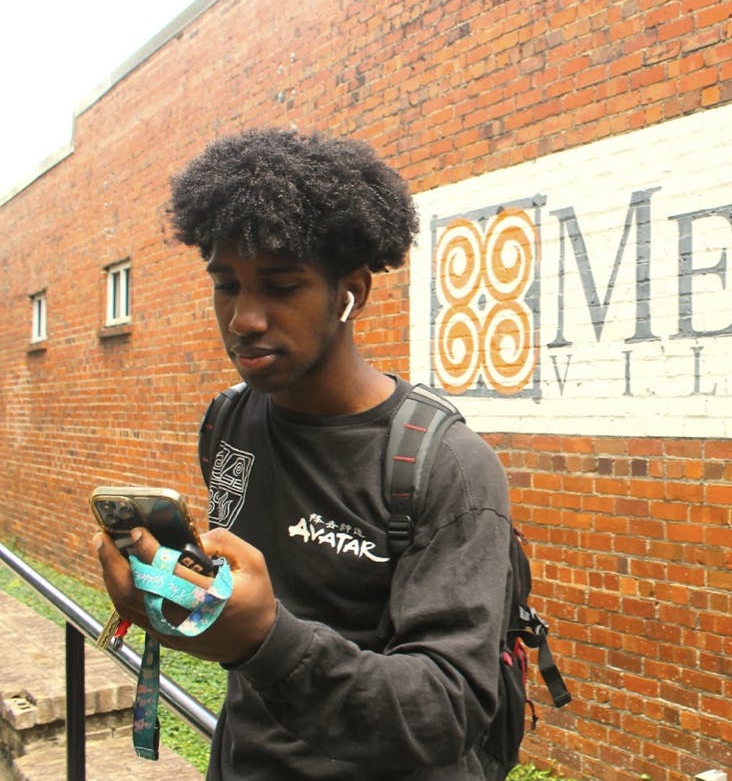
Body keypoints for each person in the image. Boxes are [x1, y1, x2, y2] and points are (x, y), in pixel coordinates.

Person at [94, 128, 515, 780]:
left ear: (351, 291)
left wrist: (267, 641)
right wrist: (167, 594)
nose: (243, 318)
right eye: (226, 284)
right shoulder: (228, 421)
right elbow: (227, 603)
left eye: (281, 285)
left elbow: (446, 710)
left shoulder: (446, 467)